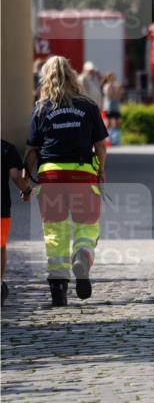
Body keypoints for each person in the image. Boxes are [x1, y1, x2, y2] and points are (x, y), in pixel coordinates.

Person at [24, 56, 108, 306]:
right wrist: (101, 171)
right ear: (72, 76)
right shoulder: (88, 106)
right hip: (83, 174)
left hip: (51, 175)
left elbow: (31, 151)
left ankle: (58, 292)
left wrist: (28, 182)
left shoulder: (41, 108)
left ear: (45, 78)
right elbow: (100, 146)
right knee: (87, 226)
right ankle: (82, 255)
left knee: (54, 232)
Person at [1, 139, 31, 304]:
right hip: (1, 207)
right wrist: (26, 190)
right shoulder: (6, 148)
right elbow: (15, 175)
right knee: (0, 246)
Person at [102, 72, 123, 146]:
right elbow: (110, 96)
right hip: (109, 107)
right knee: (108, 123)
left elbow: (119, 96)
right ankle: (107, 140)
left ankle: (116, 139)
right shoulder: (107, 86)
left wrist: (118, 90)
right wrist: (115, 91)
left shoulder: (116, 86)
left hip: (115, 107)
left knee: (116, 123)